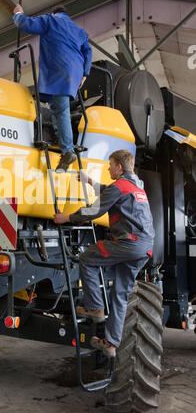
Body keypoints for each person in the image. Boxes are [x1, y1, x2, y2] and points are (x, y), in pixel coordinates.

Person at [53, 150, 155, 357]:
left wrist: (68, 218)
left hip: (129, 243)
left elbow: (94, 211)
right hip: (145, 247)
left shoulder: (120, 187)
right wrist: (90, 182)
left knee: (87, 259)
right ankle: (110, 344)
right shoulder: (136, 186)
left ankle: (95, 308)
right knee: (120, 295)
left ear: (119, 167)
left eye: (111, 164)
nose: (108, 168)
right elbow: (111, 192)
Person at [12, 3, 92, 172]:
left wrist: (18, 14)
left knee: (62, 110)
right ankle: (60, 138)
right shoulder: (80, 31)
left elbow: (27, 24)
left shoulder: (51, 20)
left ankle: (67, 150)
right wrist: (85, 73)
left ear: (54, 13)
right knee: (57, 107)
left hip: (59, 68)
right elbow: (88, 51)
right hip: (75, 73)